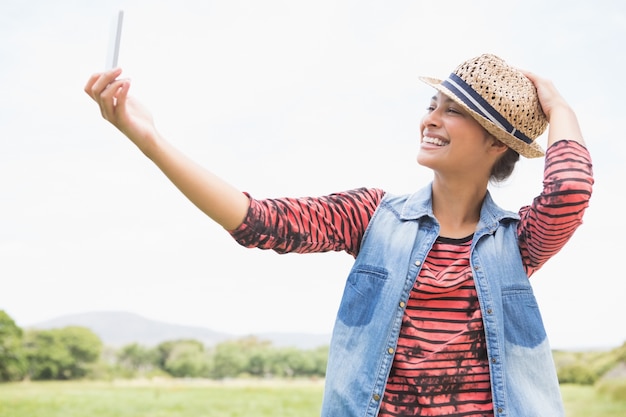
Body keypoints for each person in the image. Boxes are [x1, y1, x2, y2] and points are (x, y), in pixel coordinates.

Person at [85, 53, 593, 416]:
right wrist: (149, 140)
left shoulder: (518, 240)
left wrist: (559, 107)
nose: (429, 119)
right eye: (432, 103)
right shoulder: (372, 216)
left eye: (453, 110)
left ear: (496, 142)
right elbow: (257, 220)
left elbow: (569, 189)